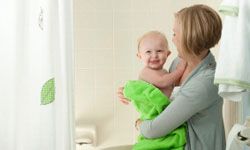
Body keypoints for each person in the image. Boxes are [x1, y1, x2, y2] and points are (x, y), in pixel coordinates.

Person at [118, 4, 226, 150]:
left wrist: (138, 123)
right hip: (173, 140)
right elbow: (161, 94)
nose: (173, 40)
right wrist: (133, 92)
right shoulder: (179, 63)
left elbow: (154, 130)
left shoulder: (205, 82)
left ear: (190, 37)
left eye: (175, 34)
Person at [122, 31, 187, 150]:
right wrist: (179, 71)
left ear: (168, 54)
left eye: (159, 51)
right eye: (148, 52)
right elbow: (163, 82)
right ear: (139, 56)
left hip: (162, 116)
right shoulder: (146, 72)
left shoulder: (166, 72)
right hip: (152, 114)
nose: (154, 55)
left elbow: (171, 86)